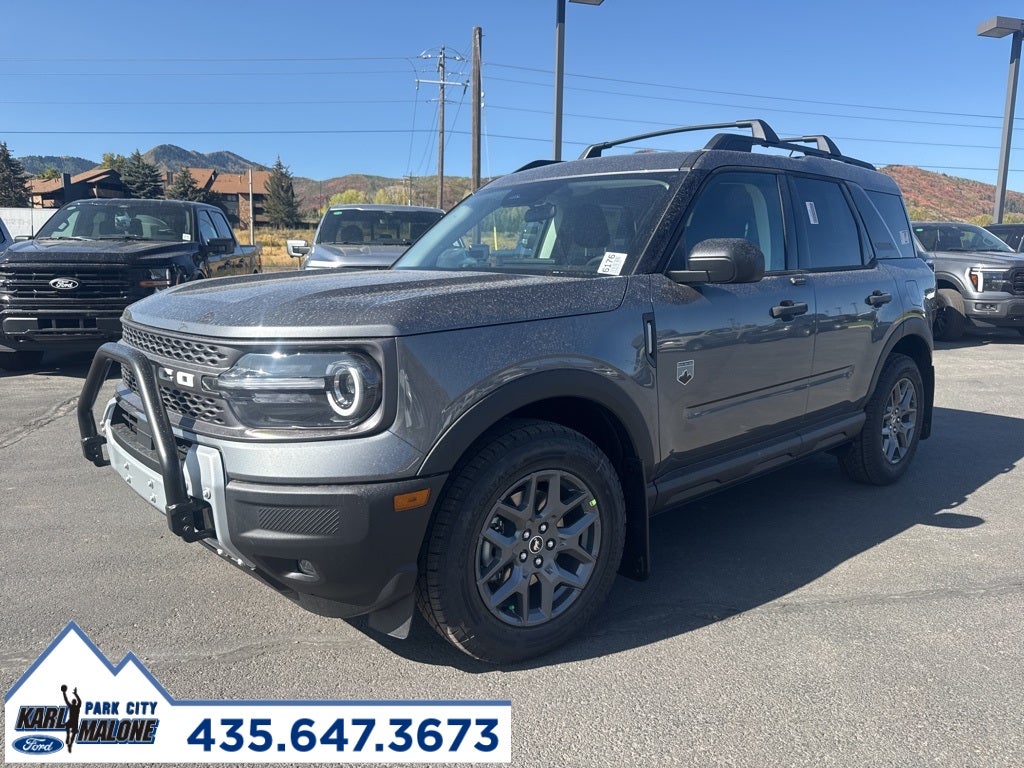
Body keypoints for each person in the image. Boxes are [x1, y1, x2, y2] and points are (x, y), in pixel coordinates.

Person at [61, 684, 81, 753]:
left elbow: (66, 700)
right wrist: (75, 694)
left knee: (68, 727)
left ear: (73, 702)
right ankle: (69, 740)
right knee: (72, 732)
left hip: (73, 721)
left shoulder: (73, 706)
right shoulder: (76, 706)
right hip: (74, 722)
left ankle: (68, 739)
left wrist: (64, 693)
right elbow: (79, 701)